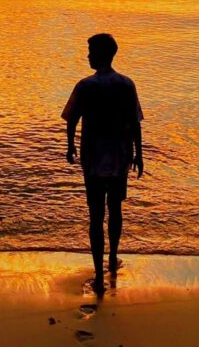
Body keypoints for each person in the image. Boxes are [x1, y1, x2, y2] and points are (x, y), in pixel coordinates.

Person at [61, 33, 144, 291]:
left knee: (96, 214)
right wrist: (139, 154)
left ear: (100, 54)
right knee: (115, 209)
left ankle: (99, 273)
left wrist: (70, 146)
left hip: (94, 158)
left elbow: (72, 119)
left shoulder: (85, 86)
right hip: (120, 156)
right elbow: (135, 123)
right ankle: (111, 260)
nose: (87, 55)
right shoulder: (126, 84)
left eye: (90, 51)